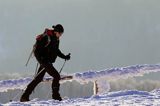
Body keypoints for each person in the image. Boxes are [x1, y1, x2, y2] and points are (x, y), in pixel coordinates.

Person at [20, 24, 71, 102]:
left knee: (38, 79)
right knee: (56, 76)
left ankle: (24, 96)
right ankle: (56, 97)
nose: (61, 35)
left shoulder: (56, 39)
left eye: (61, 34)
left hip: (47, 62)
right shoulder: (46, 38)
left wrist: (65, 57)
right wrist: (42, 62)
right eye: (60, 33)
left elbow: (56, 51)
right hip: (45, 62)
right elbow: (36, 52)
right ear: (56, 31)